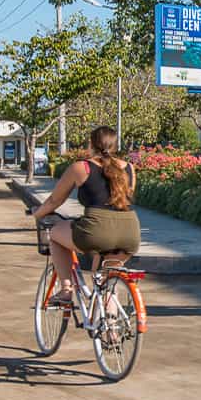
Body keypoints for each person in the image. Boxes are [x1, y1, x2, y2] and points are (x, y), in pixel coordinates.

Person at [33, 126, 141, 306]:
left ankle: (66, 290)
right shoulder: (129, 168)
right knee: (106, 284)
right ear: (115, 145)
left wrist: (37, 213)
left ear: (91, 143)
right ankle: (111, 330)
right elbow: (125, 198)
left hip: (96, 230)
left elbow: (54, 201)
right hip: (130, 231)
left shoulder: (81, 167)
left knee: (55, 235)